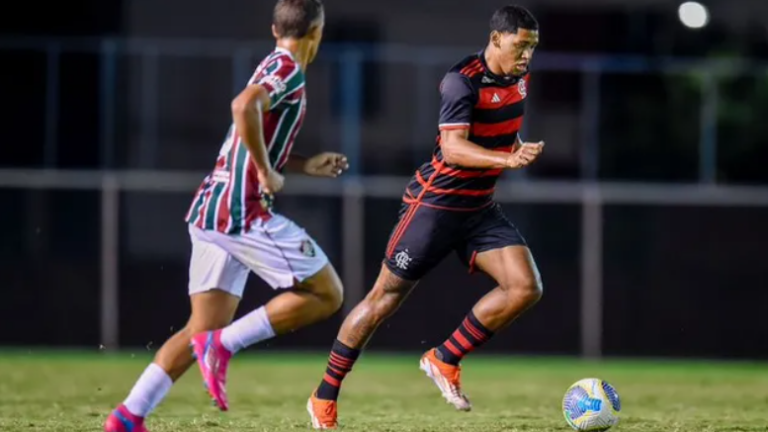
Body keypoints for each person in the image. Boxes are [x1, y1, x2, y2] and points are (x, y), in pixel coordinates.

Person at [103, 1, 346, 431]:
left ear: (275, 29)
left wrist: (304, 164)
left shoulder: (271, 63)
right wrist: (267, 172)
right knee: (327, 294)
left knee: (199, 327)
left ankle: (127, 416)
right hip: (241, 212)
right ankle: (223, 345)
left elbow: (250, 133)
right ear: (318, 32)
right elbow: (243, 106)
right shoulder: (288, 68)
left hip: (211, 209)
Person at [306, 4, 545, 429]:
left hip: (479, 209)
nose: (527, 55)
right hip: (434, 206)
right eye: (520, 45)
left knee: (525, 286)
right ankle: (324, 395)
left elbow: (500, 128)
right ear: (496, 39)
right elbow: (453, 149)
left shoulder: (518, 78)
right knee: (383, 299)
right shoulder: (461, 81)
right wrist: (507, 160)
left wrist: (515, 147)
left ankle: (444, 357)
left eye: (533, 47)